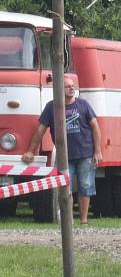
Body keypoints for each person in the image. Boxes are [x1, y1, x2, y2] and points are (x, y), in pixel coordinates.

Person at [22, 78, 103, 225]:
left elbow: (95, 128)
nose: (72, 89)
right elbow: (40, 131)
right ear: (59, 88)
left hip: (85, 154)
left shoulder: (83, 105)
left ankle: (84, 220)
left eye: (73, 86)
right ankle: (68, 221)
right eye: (68, 86)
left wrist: (97, 151)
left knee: (85, 185)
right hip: (64, 156)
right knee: (66, 188)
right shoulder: (51, 107)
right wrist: (30, 151)